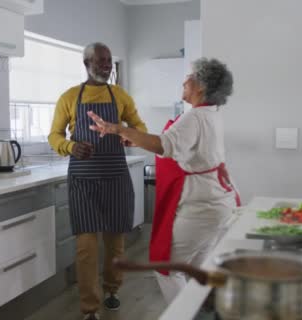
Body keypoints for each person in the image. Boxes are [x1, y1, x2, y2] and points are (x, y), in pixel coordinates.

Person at [87, 57, 240, 303]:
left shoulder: (195, 117)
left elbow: (164, 145)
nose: (184, 79)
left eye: (189, 76)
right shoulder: (210, 114)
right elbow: (173, 143)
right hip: (218, 202)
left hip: (202, 207)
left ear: (200, 86)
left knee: (165, 267)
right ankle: (207, 311)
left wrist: (119, 129)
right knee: (199, 268)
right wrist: (136, 138)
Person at [48, 42, 147, 320]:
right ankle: (90, 308)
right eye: (101, 61)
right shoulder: (69, 97)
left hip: (115, 177)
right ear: (86, 64)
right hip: (83, 180)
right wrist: (71, 147)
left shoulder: (120, 96)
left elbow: (141, 128)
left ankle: (112, 289)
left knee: (115, 243)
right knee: (86, 248)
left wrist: (129, 134)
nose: (106, 65)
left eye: (108, 61)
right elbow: (54, 136)